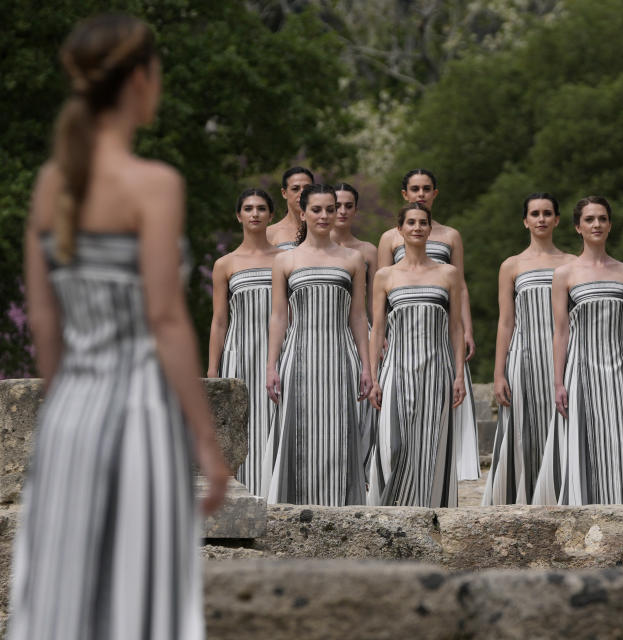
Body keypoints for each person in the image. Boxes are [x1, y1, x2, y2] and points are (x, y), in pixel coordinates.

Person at [11, 13, 228, 639]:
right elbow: (165, 317)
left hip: (70, 416)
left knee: (63, 593)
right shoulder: (154, 185)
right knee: (143, 595)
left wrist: (68, 406)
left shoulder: (53, 185)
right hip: (140, 415)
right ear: (139, 79)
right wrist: (207, 445)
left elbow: (44, 322)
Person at [532, 196, 623, 506]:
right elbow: (560, 331)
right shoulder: (565, 274)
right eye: (589, 220)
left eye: (602, 219)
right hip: (580, 369)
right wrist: (557, 381)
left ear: (609, 225)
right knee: (582, 444)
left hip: (619, 369)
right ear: (577, 227)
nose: (596, 224)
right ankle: (583, 512)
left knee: (620, 442)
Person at [264, 184, 371, 505]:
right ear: (303, 212)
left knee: (338, 434)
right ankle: (296, 509)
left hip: (341, 357)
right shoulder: (285, 260)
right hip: (298, 359)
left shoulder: (353, 259)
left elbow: (358, 316)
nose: (325, 215)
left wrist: (367, 366)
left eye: (330, 209)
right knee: (300, 434)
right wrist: (271, 365)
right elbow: (279, 317)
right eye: (317, 209)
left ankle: (341, 510)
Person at [376, 169, 480, 481]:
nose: (421, 194)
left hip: (440, 330)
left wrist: (467, 327)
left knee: (445, 397)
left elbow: (459, 286)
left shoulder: (450, 236)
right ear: (404, 194)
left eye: (426, 188)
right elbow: (382, 291)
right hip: (403, 333)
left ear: (435, 193)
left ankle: (442, 471)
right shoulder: (389, 238)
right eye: (414, 189)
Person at [367, 203, 465, 507]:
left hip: (436, 370)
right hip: (396, 369)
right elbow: (378, 329)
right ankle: (389, 511)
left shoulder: (448, 274)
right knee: (393, 445)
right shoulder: (384, 276)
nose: (418, 227)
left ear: (429, 228)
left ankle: (430, 510)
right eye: (411, 222)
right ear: (400, 229)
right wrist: (373, 376)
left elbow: (456, 329)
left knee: (431, 443)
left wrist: (459, 374)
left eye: (423, 222)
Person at [482, 193, 575, 505]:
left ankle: (561, 495)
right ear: (525, 221)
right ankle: (523, 498)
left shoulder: (573, 263)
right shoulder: (511, 266)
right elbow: (505, 322)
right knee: (525, 427)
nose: (541, 219)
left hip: (564, 357)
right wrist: (498, 373)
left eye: (547, 213)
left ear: (557, 219)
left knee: (562, 424)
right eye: (534, 213)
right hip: (523, 357)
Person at [207, 188, 281, 497]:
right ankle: (244, 494)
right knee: (243, 423)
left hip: (278, 353)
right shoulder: (225, 264)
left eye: (261, 208)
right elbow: (220, 320)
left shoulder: (285, 259)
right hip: (240, 353)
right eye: (248, 208)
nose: (255, 213)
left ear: (270, 215)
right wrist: (212, 369)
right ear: (239, 215)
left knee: (276, 422)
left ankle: (276, 495)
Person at [331, 182, 379, 475]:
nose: (342, 211)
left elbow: (375, 299)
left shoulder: (368, 251)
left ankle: (359, 474)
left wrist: (380, 336)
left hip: (361, 332)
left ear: (356, 210)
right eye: (337, 205)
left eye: (349, 205)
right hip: (328, 333)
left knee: (361, 407)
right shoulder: (304, 251)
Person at [266, 166, 314, 250]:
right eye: (295, 189)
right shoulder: (270, 233)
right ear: (284, 193)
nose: (302, 193)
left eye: (307, 188)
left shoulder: (325, 230)